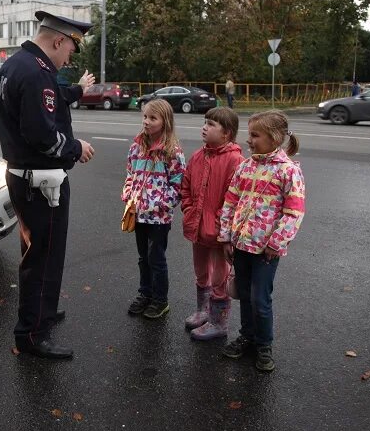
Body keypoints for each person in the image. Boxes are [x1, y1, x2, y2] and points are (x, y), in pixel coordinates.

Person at [0, 10, 96, 360]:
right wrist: (75, 148)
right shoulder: (37, 74)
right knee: (44, 257)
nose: (69, 58)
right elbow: (40, 133)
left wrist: (78, 90)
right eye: (69, 49)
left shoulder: (16, 65)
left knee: (36, 253)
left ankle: (42, 311)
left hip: (25, 179)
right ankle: (33, 334)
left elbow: (45, 103)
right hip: (41, 183)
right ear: (58, 40)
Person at [218, 110, 306, 372]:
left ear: (274, 138)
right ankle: (247, 336)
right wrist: (226, 237)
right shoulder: (245, 166)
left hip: (266, 250)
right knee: (244, 294)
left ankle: (264, 344)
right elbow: (230, 202)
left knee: (260, 298)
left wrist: (276, 243)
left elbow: (294, 212)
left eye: (255, 135)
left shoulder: (288, 172)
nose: (249, 140)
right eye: (249, 135)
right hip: (241, 245)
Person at [180, 107, 243, 340]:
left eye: (211, 124)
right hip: (197, 227)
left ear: (226, 133)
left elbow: (234, 198)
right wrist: (188, 209)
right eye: (205, 122)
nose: (204, 127)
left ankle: (219, 323)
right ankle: (203, 311)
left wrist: (219, 224)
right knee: (200, 272)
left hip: (218, 233)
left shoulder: (235, 160)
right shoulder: (198, 156)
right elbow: (185, 185)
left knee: (219, 278)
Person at [122, 99, 186, 319]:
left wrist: (159, 204)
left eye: (152, 118)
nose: (146, 122)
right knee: (143, 258)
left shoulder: (172, 152)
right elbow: (131, 174)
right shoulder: (136, 147)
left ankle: (160, 300)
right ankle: (145, 293)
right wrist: (128, 195)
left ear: (165, 121)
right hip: (138, 214)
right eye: (145, 117)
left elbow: (178, 185)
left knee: (156, 259)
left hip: (159, 218)